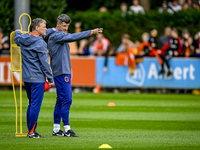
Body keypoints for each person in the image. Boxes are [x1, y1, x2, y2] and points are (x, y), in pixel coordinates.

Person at [45, 14, 103, 137]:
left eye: (67, 26)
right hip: (61, 72)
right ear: (58, 25)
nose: (66, 29)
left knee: (60, 100)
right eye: (64, 26)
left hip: (62, 71)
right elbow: (73, 37)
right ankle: (67, 129)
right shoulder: (56, 35)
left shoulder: (56, 34)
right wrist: (91, 32)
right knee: (67, 99)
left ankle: (56, 129)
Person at [14, 18, 54, 138]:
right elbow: (45, 64)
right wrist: (51, 79)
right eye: (44, 26)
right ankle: (31, 132)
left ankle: (31, 130)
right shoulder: (41, 43)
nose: (46, 28)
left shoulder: (23, 38)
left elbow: (17, 39)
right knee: (35, 105)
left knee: (31, 104)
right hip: (37, 79)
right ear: (37, 28)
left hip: (26, 78)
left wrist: (17, 31)